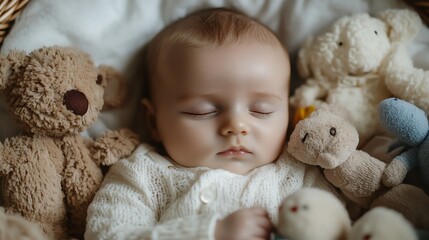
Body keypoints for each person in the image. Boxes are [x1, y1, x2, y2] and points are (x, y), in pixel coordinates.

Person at [85, 8, 338, 240]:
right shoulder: (144, 175)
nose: (236, 126)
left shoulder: (296, 172)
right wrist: (209, 233)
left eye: (261, 110)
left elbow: (343, 223)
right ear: (154, 121)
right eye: (201, 111)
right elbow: (107, 234)